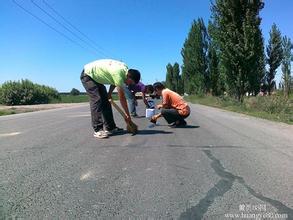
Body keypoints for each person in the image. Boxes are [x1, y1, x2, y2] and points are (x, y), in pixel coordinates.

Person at [80, 59, 141, 139]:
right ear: (128, 77)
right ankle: (98, 129)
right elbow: (122, 98)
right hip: (88, 75)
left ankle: (110, 128)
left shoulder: (124, 70)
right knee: (97, 100)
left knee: (106, 101)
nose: (129, 85)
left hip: (97, 78)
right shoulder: (118, 74)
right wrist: (127, 115)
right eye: (130, 82)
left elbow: (114, 82)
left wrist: (109, 94)